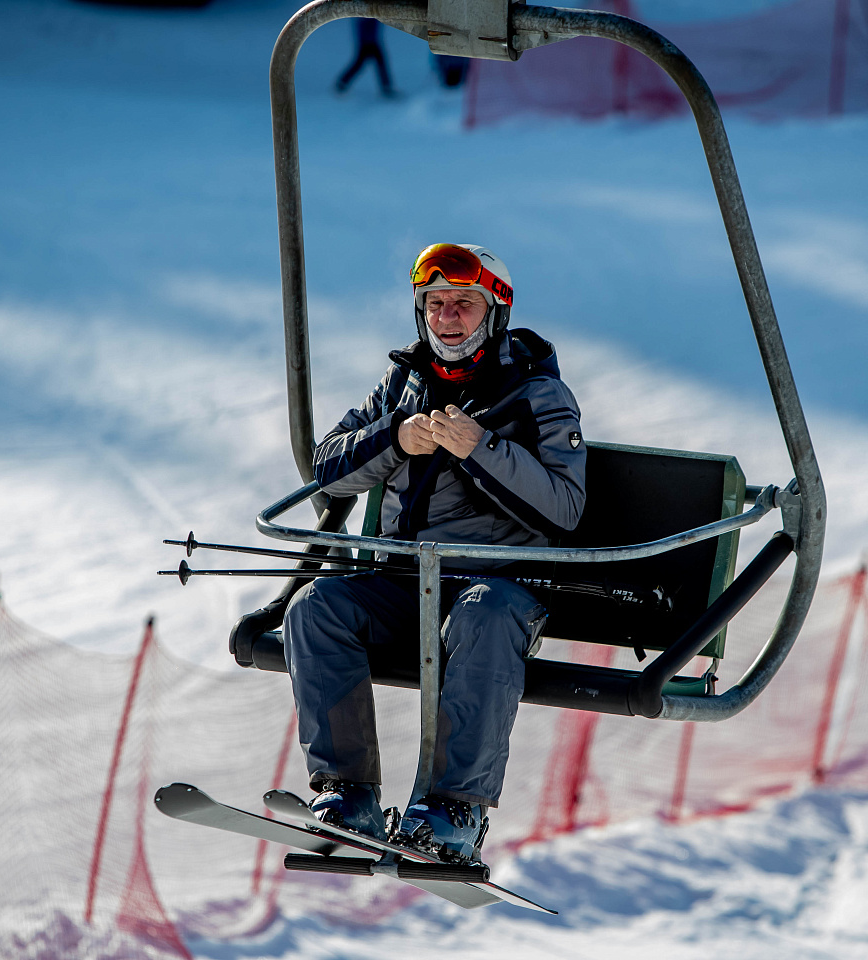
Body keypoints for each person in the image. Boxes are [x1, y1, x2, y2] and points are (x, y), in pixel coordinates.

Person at [281, 243, 587, 861]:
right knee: (317, 606)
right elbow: (327, 468)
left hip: (496, 586)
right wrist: (394, 439)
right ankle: (349, 795)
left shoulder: (538, 396)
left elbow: (564, 508)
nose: (447, 318)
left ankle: (455, 809)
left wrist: (481, 449)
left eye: (463, 305)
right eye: (436, 304)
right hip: (406, 585)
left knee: (484, 613)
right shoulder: (402, 383)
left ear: (493, 312)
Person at [335, 18, 395, 97]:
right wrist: (368, 41)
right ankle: (342, 82)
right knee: (365, 63)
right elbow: (363, 26)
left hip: (370, 41)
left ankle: (342, 82)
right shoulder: (365, 14)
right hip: (368, 43)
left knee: (364, 63)